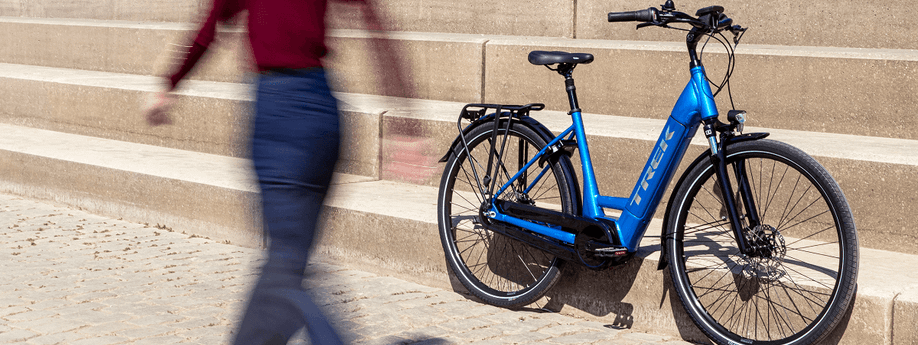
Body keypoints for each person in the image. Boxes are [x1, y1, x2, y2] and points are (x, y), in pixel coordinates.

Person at [144, 0, 411, 344]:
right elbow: (376, 25)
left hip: (278, 114)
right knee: (290, 259)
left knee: (285, 265)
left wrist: (169, 84)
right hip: (322, 111)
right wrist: (407, 125)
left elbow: (209, 29)